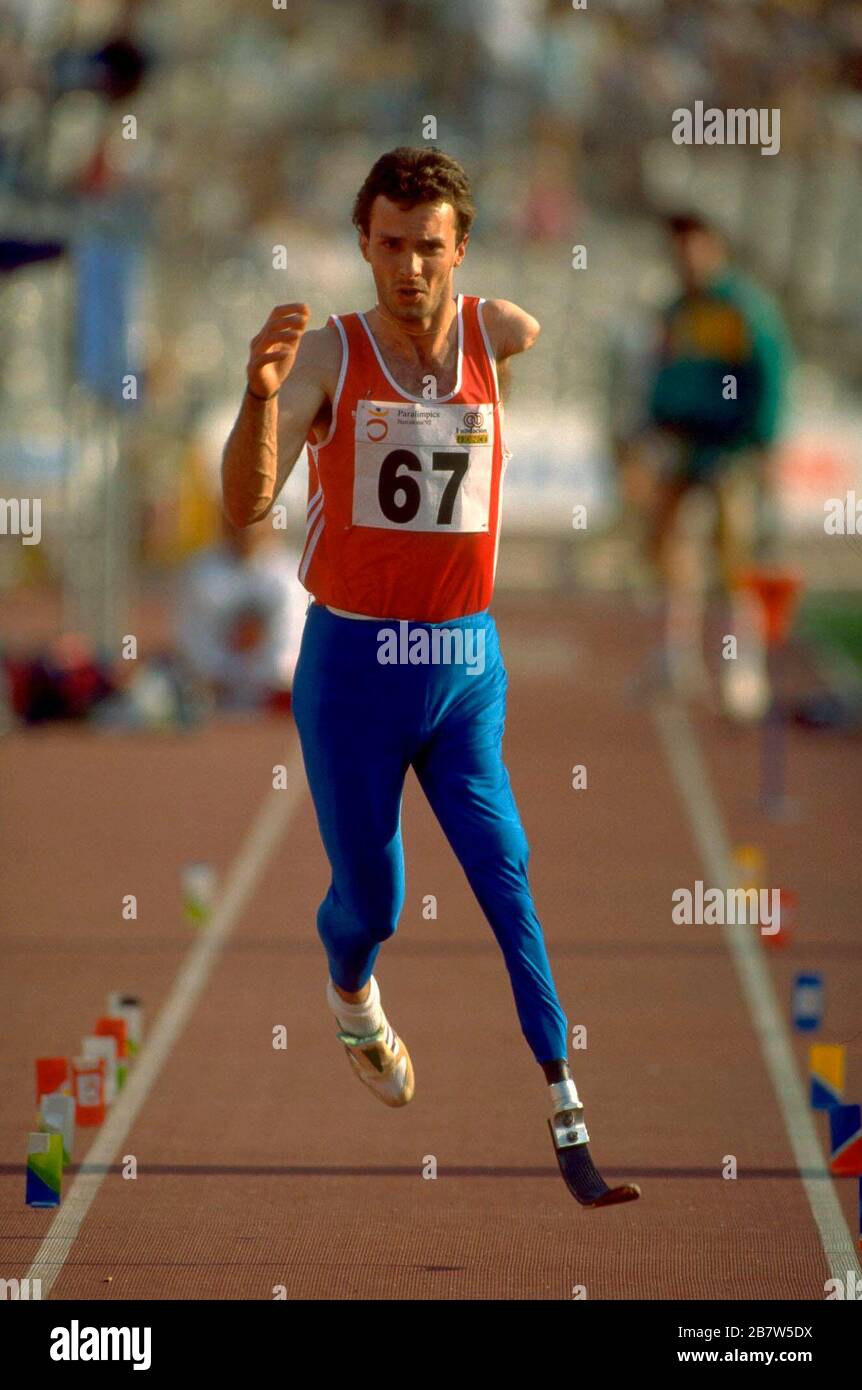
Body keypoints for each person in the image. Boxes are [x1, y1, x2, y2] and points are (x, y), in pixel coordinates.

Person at [222, 147, 637, 1206]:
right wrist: (261, 399)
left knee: (508, 878)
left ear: (462, 250)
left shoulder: (499, 335)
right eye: (391, 246)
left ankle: (564, 1104)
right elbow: (245, 505)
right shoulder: (326, 352)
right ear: (364, 244)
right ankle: (351, 988)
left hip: (461, 666)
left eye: (430, 248)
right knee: (376, 900)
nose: (410, 268)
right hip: (355, 667)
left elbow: (523, 325)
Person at [640, 211, 792, 716]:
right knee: (667, 548)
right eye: (678, 249)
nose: (685, 259)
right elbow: (660, 371)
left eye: (694, 247)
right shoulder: (677, 309)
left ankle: (740, 670)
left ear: (715, 248)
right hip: (682, 443)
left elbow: (770, 374)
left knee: (735, 558)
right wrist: (656, 424)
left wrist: (762, 442)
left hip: (731, 448)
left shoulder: (744, 308)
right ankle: (674, 659)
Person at [176, 514, 307, 712]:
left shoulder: (291, 576)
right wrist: (221, 676)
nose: (247, 529)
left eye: (257, 519)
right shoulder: (201, 572)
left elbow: (287, 653)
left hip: (274, 699)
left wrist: (260, 681)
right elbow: (193, 642)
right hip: (214, 698)